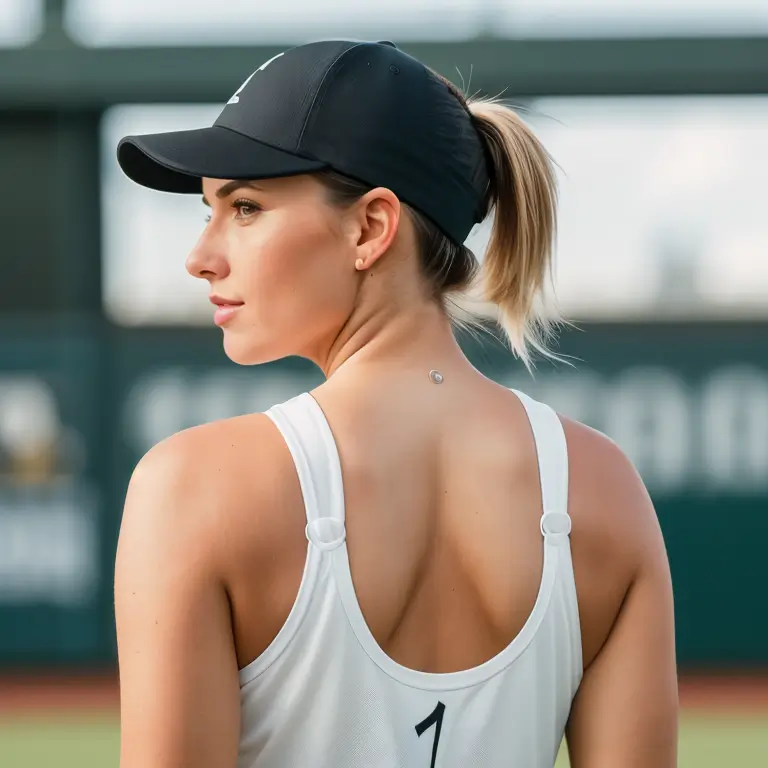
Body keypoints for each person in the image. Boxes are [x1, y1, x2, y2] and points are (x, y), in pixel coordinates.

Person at [114, 39, 678, 768]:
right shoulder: (607, 491)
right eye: (208, 211)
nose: (201, 255)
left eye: (245, 207)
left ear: (372, 226)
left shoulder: (192, 488)